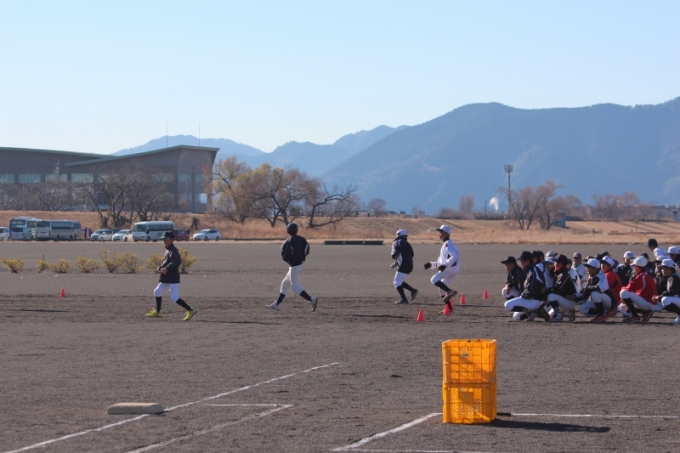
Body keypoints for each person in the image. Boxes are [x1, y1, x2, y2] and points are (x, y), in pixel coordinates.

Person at [145, 231, 197, 320]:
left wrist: (167, 268)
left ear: (172, 240)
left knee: (174, 297)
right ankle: (158, 312)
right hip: (167, 277)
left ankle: (191, 310)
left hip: (173, 277)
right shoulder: (168, 250)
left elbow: (176, 261)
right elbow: (167, 261)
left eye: (166, 239)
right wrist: (161, 267)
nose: (164, 241)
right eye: (163, 239)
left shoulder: (173, 250)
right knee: (157, 291)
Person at [266, 223, 318, 311]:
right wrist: (300, 257)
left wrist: (290, 260)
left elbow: (285, 256)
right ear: (297, 231)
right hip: (298, 264)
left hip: (294, 266)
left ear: (287, 231)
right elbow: (307, 250)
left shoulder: (288, 241)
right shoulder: (302, 239)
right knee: (285, 283)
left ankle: (311, 299)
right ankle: (277, 304)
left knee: (295, 286)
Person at [504, 251, 550, 321]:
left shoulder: (533, 271)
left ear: (527, 261)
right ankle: (535, 312)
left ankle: (535, 310)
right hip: (531, 299)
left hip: (534, 300)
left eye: (522, 261)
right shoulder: (531, 270)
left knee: (507, 305)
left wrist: (521, 296)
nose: (520, 263)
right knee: (516, 317)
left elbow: (532, 290)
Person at [424, 225, 460, 313]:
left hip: (450, 268)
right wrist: (431, 264)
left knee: (434, 279)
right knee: (441, 288)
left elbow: (454, 256)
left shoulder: (448, 243)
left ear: (446, 233)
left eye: (441, 232)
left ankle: (449, 291)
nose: (439, 234)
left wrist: (445, 265)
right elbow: (441, 262)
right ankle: (450, 308)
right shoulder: (447, 243)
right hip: (453, 269)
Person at [620, 256, 658, 323]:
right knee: (623, 307)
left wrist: (624, 295)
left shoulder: (642, 276)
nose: (633, 268)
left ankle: (635, 316)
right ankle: (645, 312)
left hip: (647, 302)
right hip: (648, 301)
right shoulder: (645, 275)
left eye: (634, 266)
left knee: (623, 292)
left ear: (637, 267)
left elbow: (629, 288)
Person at [578, 258, 612, 322]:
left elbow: (599, 288)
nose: (587, 269)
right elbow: (586, 292)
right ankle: (604, 313)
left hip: (608, 302)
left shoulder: (602, 276)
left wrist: (587, 288)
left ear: (595, 268)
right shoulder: (591, 277)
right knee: (582, 308)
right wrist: (575, 297)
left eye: (589, 267)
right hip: (599, 302)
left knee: (594, 293)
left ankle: (601, 315)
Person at [547, 254, 577, 322]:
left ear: (560, 263)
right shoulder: (559, 272)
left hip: (569, 301)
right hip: (564, 300)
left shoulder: (564, 274)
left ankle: (559, 315)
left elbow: (558, 291)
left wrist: (547, 290)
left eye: (556, 262)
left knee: (551, 296)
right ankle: (568, 312)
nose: (554, 264)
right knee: (549, 316)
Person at [390, 229, 418, 304]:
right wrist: (396, 263)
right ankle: (413, 290)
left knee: (396, 282)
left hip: (403, 265)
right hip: (410, 265)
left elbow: (395, 255)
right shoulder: (407, 243)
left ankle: (404, 299)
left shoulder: (396, 242)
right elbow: (411, 255)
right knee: (399, 281)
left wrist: (398, 263)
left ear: (397, 235)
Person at [655, 258, 680, 324]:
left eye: (663, 268)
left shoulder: (675, 277)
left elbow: (671, 292)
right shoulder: (673, 276)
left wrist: (659, 297)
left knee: (665, 300)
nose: (661, 270)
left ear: (668, 269)